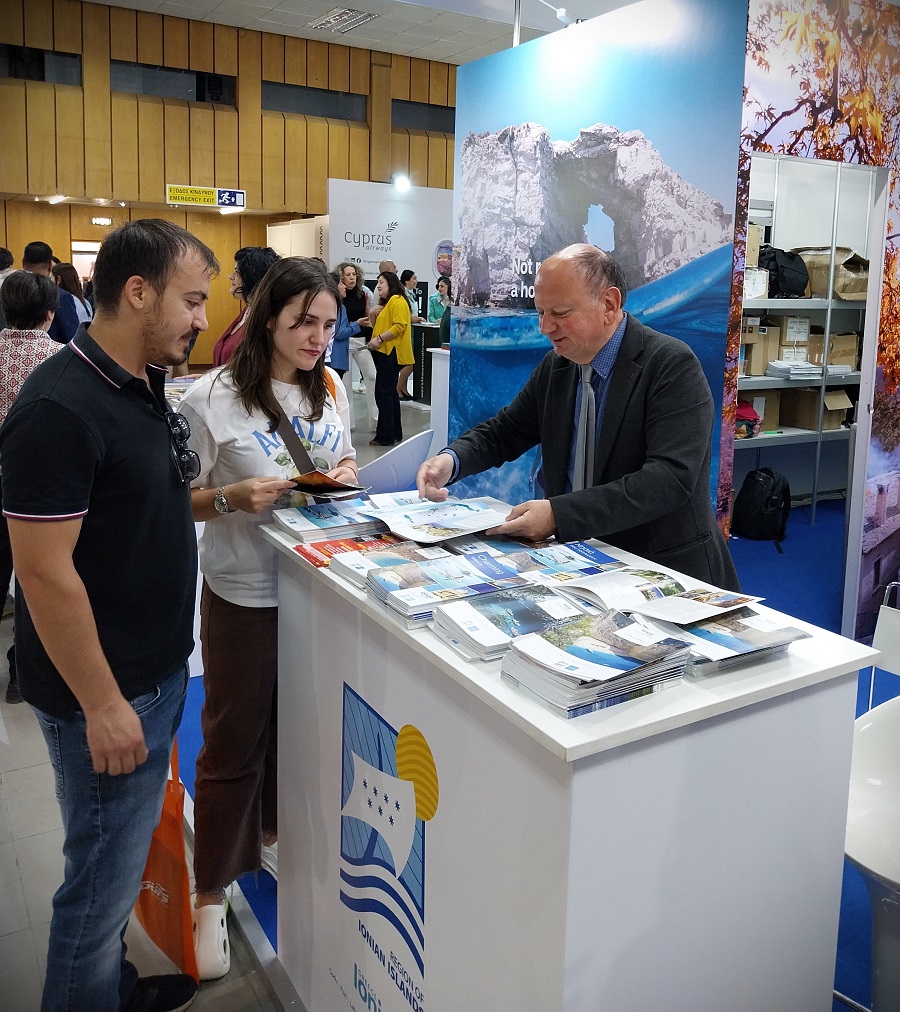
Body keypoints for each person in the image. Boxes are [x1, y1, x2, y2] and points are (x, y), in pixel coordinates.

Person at [0, 218, 218, 1011]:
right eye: (191, 301)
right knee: (95, 896)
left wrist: (226, 499)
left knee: (112, 873)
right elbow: (43, 570)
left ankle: (110, 989)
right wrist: (102, 704)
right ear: (137, 292)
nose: (203, 319)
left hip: (149, 676)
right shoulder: (60, 406)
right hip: (109, 693)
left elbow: (138, 508)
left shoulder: (138, 382)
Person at [179, 257, 357, 981]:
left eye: (329, 324)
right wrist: (232, 498)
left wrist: (342, 479)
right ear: (266, 319)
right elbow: (175, 498)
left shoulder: (330, 386)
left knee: (296, 728)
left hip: (321, 588)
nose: (318, 338)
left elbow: (344, 461)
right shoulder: (211, 397)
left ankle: (272, 836)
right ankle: (210, 890)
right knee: (234, 737)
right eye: (303, 322)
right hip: (245, 592)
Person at [416, 244, 740, 591]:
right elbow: (505, 431)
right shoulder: (557, 367)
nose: (545, 327)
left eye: (560, 313)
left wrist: (559, 515)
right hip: (581, 563)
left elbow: (669, 479)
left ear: (609, 304)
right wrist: (452, 460)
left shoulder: (671, 366)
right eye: (541, 312)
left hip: (662, 571)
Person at [0, 271, 61, 705]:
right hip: (42, 489)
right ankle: (21, 673)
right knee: (34, 580)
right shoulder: (61, 359)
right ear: (50, 314)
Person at [212, 246, 280, 366]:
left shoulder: (266, 322)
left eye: (237, 272)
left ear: (252, 277)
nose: (230, 276)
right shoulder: (248, 311)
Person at [368, 270, 412, 447]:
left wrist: (379, 339)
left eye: (382, 282)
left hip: (392, 352)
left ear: (391, 284)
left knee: (383, 393)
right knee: (389, 393)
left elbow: (399, 327)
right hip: (386, 352)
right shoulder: (388, 303)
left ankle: (385, 436)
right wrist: (373, 314)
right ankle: (394, 433)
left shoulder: (397, 300)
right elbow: (378, 326)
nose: (378, 286)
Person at [335, 261, 377, 429]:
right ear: (341, 277)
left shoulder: (363, 294)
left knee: (372, 375)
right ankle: (348, 424)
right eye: (348, 275)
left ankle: (375, 420)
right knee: (345, 385)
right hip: (344, 341)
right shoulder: (338, 297)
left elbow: (367, 317)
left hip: (360, 341)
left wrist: (369, 334)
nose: (352, 278)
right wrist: (353, 325)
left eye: (354, 274)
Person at [22, 241, 80, 344]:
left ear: (23, 263)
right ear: (50, 266)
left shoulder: (9, 292)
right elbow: (72, 336)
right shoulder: (60, 296)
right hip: (55, 352)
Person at [397, 269, 422, 400]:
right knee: (409, 363)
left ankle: (403, 389)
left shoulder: (411, 294)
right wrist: (418, 319)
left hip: (413, 330)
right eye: (414, 278)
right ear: (407, 280)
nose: (416, 281)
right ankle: (397, 388)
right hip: (406, 331)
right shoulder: (403, 295)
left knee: (409, 362)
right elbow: (407, 316)